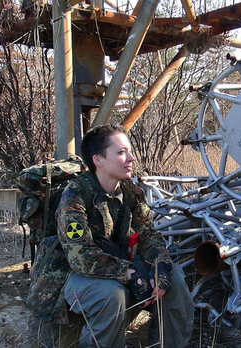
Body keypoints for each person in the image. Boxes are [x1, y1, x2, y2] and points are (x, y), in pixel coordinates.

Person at [55, 124, 194, 347]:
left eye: (129, 151)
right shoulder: (75, 196)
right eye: (121, 152)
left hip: (119, 261)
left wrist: (160, 266)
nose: (131, 158)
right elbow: (79, 256)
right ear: (98, 160)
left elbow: (149, 234)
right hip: (76, 274)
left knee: (174, 280)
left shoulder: (130, 189)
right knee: (113, 294)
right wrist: (128, 273)